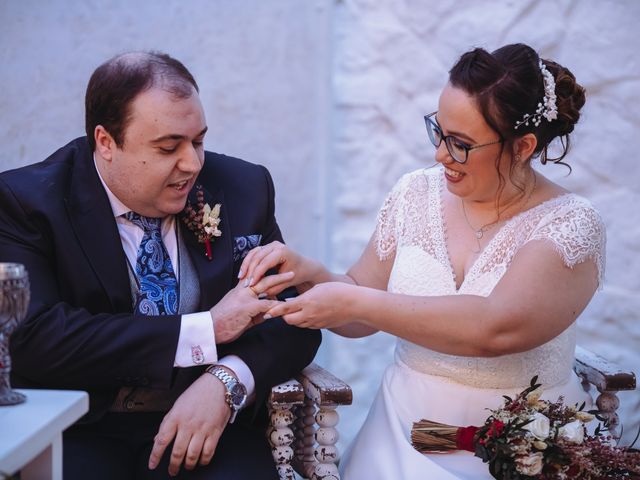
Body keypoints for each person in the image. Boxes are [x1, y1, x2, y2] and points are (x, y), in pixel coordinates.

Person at [240, 43, 605, 479]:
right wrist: (308, 275)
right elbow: (359, 302)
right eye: (439, 130)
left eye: (461, 144)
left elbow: (495, 326)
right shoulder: (415, 194)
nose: (440, 155)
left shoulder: (570, 224)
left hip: (528, 452)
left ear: (523, 146)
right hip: (405, 435)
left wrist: (354, 303)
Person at [0, 51, 320, 479]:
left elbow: (294, 320)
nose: (192, 163)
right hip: (80, 428)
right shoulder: (27, 203)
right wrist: (208, 329)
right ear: (106, 142)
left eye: (199, 141)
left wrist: (226, 381)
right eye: (169, 147)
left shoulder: (243, 188)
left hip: (210, 427)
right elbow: (33, 338)